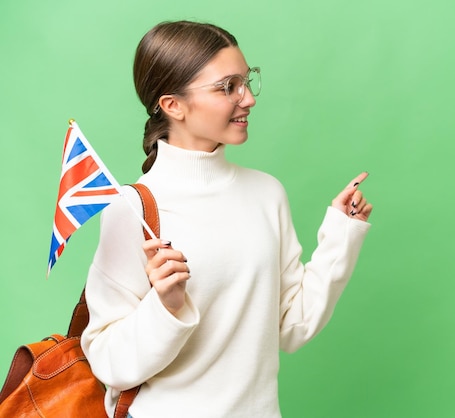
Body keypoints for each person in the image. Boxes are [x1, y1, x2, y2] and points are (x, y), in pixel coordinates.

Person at [81, 20, 373, 418]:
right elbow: (109, 362)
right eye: (228, 86)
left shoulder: (266, 193)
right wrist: (165, 307)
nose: (248, 98)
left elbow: (293, 327)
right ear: (173, 105)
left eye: (247, 81)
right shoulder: (133, 209)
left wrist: (342, 234)